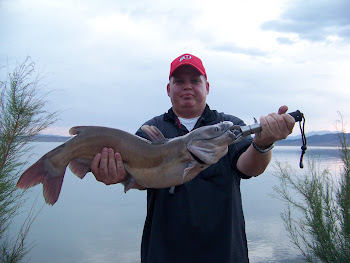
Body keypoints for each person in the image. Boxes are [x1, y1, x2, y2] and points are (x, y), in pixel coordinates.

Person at [90, 53, 295, 263]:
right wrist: (116, 174)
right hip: (164, 253)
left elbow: (249, 167)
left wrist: (263, 143)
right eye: (179, 81)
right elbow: (139, 179)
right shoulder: (151, 130)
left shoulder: (227, 126)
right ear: (169, 90)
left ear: (207, 87)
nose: (187, 86)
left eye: (195, 81)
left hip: (224, 252)